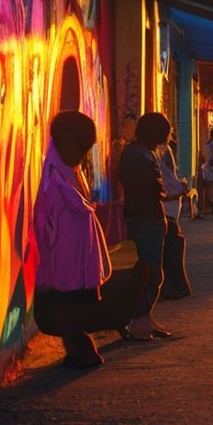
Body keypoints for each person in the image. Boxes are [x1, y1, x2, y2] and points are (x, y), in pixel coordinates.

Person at [34, 111, 149, 368]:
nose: (82, 156)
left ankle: (79, 350)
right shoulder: (54, 177)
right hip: (64, 258)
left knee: (72, 304)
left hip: (73, 258)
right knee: (70, 304)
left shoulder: (66, 173)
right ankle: (79, 350)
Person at [119, 112, 181, 340]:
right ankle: (140, 322)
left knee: (154, 272)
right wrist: (165, 193)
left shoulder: (144, 153)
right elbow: (148, 188)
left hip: (149, 217)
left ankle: (145, 318)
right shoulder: (138, 155)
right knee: (150, 273)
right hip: (145, 219)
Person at [159, 138, 192, 300]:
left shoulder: (158, 153)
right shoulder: (162, 152)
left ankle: (171, 284)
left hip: (166, 202)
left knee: (166, 245)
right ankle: (173, 284)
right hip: (170, 200)